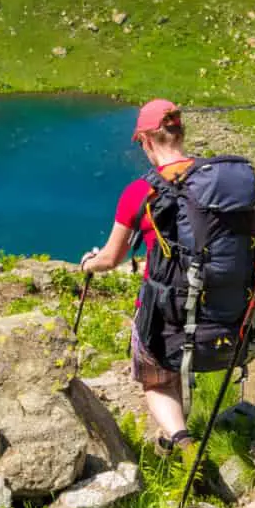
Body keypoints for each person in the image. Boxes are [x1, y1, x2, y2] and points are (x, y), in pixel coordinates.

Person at [80, 99, 197, 455]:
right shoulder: (215, 179)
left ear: (146, 140)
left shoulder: (139, 192)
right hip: (220, 307)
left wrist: (88, 264)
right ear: (181, 133)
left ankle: (182, 440)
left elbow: (112, 258)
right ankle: (183, 426)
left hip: (166, 311)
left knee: (155, 378)